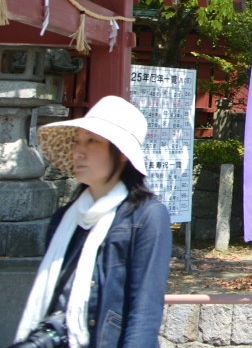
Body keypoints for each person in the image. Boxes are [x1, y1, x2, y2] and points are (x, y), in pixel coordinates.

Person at [15, 96, 171, 348]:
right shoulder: (64, 219)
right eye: (77, 141)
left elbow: (144, 311)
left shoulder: (147, 216)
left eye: (92, 141)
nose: (78, 151)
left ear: (122, 152)